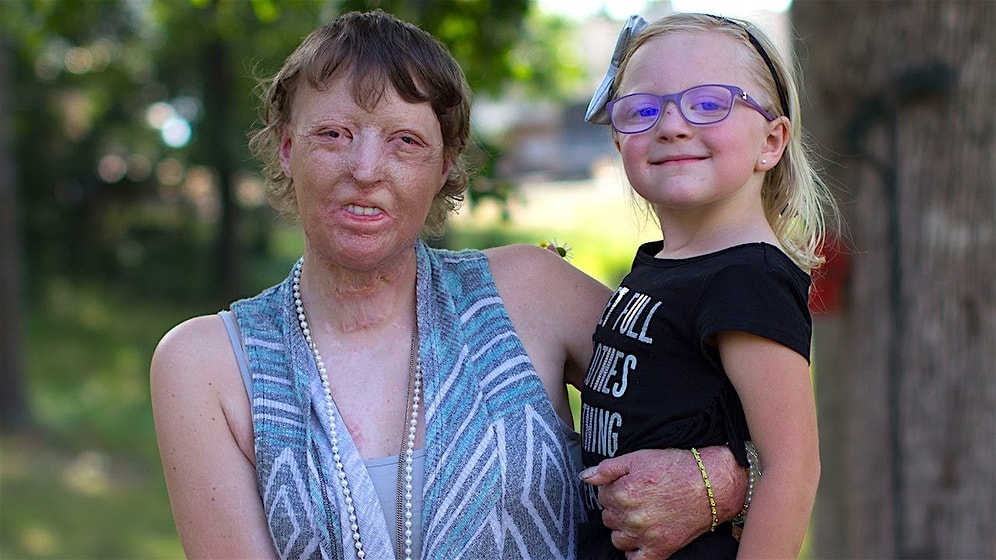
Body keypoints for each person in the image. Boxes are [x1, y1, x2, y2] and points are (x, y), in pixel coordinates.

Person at [150, 10, 748, 560]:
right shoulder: (206, 364)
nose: (365, 170)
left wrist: (722, 483)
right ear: (286, 148)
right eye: (332, 134)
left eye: (405, 141)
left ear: (443, 167)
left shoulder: (531, 293)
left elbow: (755, 422)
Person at [578, 12, 839, 559]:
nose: (670, 125)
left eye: (708, 103)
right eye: (642, 110)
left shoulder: (749, 279)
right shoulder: (661, 268)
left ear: (771, 141)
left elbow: (792, 468)